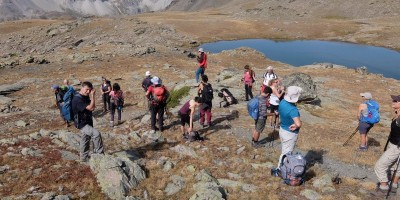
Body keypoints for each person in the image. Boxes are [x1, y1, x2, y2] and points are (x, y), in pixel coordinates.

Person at [373, 95, 400, 196]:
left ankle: (383, 188)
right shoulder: (397, 114)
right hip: (393, 144)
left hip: (396, 147)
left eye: (396, 101)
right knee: (394, 167)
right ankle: (393, 186)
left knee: (379, 166)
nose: (393, 101)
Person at [71, 81, 104, 162]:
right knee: (96, 134)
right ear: (82, 88)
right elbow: (90, 108)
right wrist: (92, 96)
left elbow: (93, 107)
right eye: (87, 89)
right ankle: (100, 155)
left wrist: (92, 97)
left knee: (85, 139)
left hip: (87, 121)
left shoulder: (85, 97)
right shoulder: (77, 99)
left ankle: (83, 157)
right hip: (82, 123)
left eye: (90, 90)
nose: (88, 91)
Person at [277, 86, 302, 168]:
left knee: (284, 149)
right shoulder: (293, 109)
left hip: (282, 129)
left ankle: (283, 168)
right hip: (290, 133)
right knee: (286, 153)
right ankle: (280, 169)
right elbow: (298, 124)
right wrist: (296, 125)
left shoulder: (282, 102)